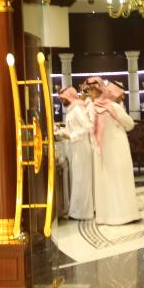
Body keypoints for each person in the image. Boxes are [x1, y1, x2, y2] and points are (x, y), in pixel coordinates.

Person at [92, 81, 141, 225]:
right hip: (118, 149)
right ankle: (124, 215)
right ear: (114, 94)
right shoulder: (115, 107)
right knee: (121, 179)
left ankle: (107, 216)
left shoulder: (96, 106)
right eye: (121, 95)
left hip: (102, 150)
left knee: (107, 181)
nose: (122, 98)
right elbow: (130, 124)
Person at [57, 86, 94, 220]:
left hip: (82, 148)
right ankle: (75, 212)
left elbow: (88, 127)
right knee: (77, 180)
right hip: (75, 148)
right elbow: (71, 129)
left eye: (63, 98)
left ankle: (84, 213)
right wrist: (61, 132)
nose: (61, 101)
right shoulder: (71, 110)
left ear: (69, 97)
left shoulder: (78, 109)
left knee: (82, 180)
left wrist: (71, 136)